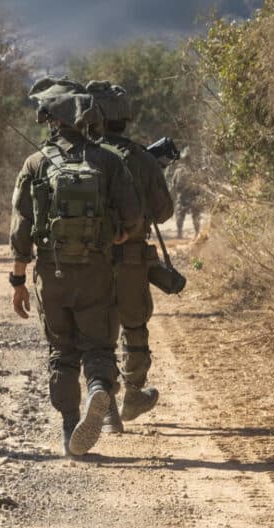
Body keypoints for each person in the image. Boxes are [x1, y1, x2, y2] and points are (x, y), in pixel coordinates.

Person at [8, 78, 141, 457]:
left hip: (53, 275)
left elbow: (20, 228)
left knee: (61, 353)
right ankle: (99, 389)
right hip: (97, 272)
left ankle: (70, 432)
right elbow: (133, 217)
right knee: (98, 346)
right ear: (86, 119)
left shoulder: (35, 164)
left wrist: (18, 280)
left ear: (51, 121)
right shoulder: (108, 161)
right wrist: (112, 238)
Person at [86, 81, 175, 431]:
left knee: (97, 333)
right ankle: (133, 394)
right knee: (134, 326)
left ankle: (104, 405)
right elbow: (164, 211)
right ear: (125, 117)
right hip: (132, 259)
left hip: (90, 261)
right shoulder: (140, 157)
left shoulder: (83, 155)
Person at [170, 148, 203, 239]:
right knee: (194, 215)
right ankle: (194, 233)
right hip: (190, 196)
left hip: (184, 196)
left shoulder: (179, 171)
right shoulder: (194, 170)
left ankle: (181, 233)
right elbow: (199, 185)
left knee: (181, 215)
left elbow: (173, 185)